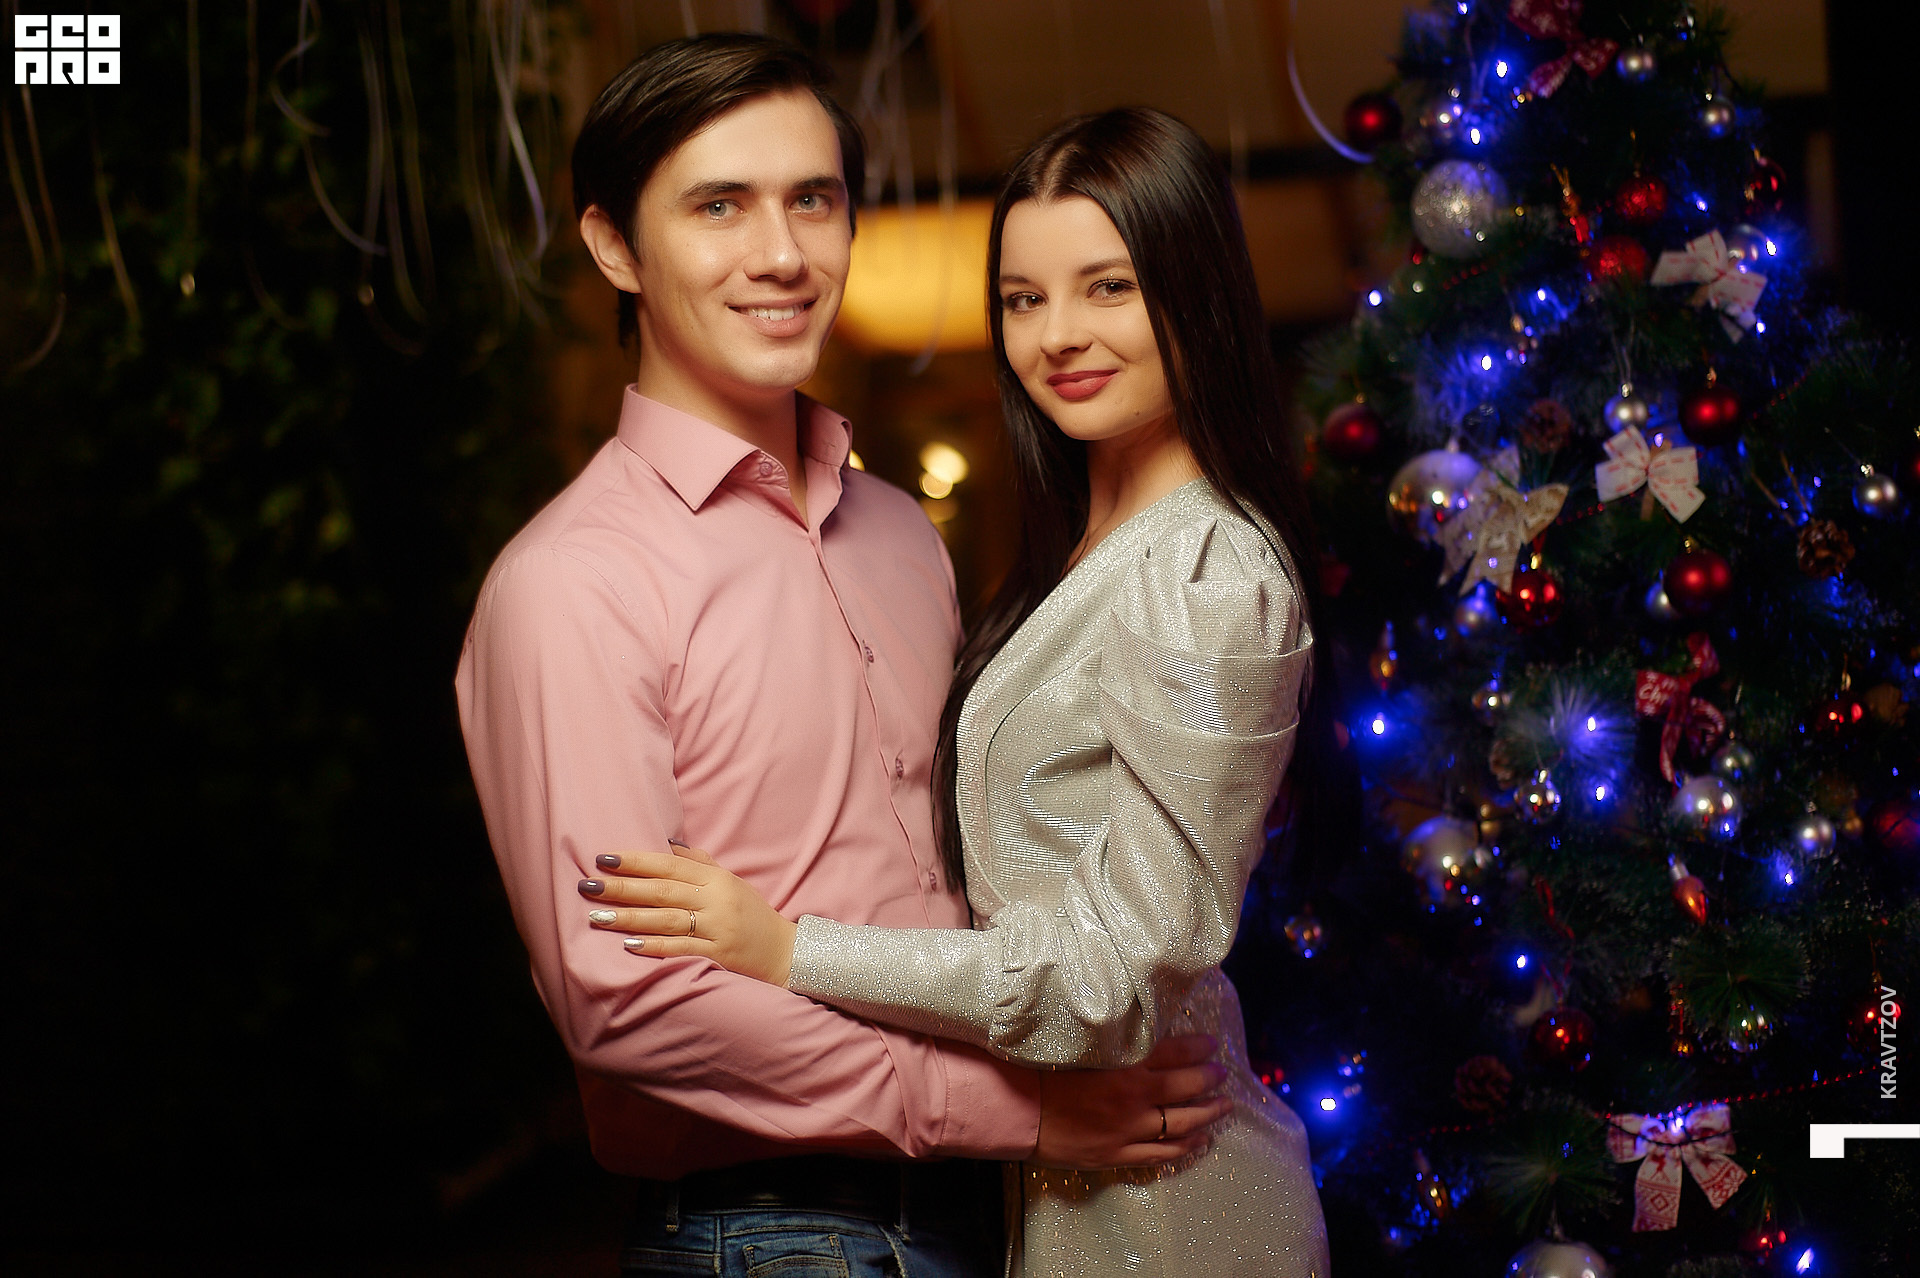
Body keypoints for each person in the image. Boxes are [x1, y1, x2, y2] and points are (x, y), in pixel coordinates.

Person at [455, 37, 1226, 1278]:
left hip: (1004, 1209)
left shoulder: (901, 535)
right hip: (772, 1231)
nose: (782, 253)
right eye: (719, 207)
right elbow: (628, 1003)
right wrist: (1017, 1111)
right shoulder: (572, 583)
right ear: (613, 246)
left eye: (812, 199)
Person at [585, 107, 1333, 1277]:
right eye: (1024, 299)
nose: (1060, 335)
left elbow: (1111, 980)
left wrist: (790, 948)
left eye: (1109, 287)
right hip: (1068, 1184)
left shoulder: (1208, 572)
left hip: (1174, 1197)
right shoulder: (1082, 551)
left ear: (1196, 294)